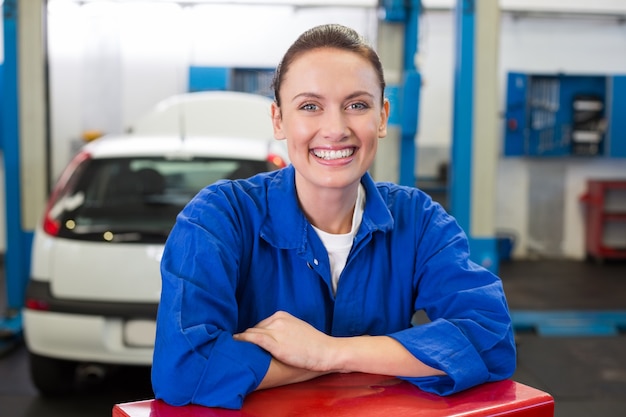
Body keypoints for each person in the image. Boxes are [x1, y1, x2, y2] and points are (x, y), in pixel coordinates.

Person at [151, 23, 516, 410]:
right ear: (278, 119)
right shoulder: (218, 219)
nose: (336, 129)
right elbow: (185, 368)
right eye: (310, 106)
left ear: (382, 117)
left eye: (357, 105)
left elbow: (490, 338)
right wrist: (375, 358)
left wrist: (329, 353)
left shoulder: (419, 220)